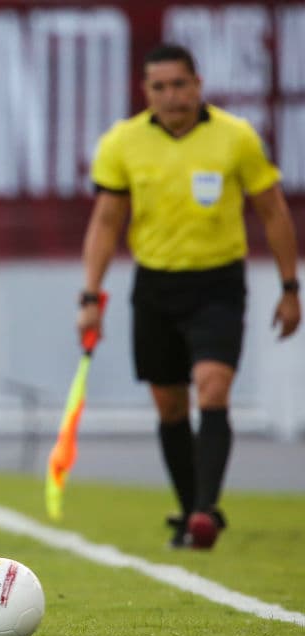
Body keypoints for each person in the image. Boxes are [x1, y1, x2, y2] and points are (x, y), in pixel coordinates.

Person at [78, 44, 301, 550]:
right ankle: (189, 509)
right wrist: (90, 294)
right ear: (146, 92)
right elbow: (107, 222)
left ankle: (205, 512)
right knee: (170, 406)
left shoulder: (236, 137)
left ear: (197, 84)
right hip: (154, 286)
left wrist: (290, 288)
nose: (171, 96)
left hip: (218, 283)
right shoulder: (123, 142)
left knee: (213, 389)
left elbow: (273, 212)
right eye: (159, 87)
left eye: (179, 84)